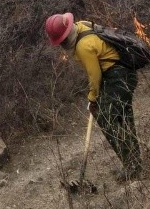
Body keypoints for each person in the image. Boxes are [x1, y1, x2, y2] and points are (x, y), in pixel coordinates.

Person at [45, 12, 143, 182]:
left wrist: (92, 98)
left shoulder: (83, 46)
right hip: (122, 74)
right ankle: (134, 163)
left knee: (107, 118)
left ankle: (132, 166)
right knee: (123, 116)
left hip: (118, 76)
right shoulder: (81, 25)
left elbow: (95, 76)